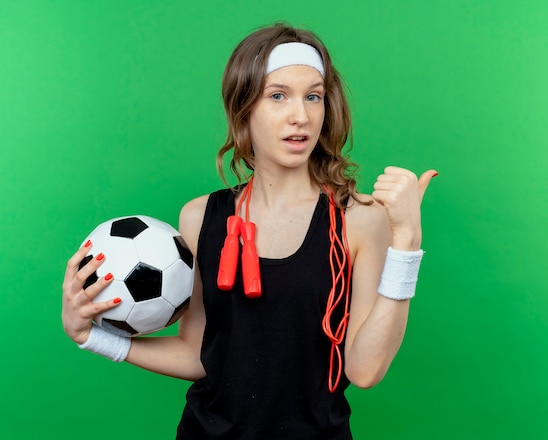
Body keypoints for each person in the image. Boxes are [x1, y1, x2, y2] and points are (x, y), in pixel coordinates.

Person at [61, 23, 437, 439]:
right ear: (244, 109)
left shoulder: (359, 219)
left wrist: (407, 245)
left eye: (313, 96)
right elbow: (199, 355)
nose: (301, 115)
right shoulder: (200, 217)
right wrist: (92, 337)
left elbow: (365, 370)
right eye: (278, 96)